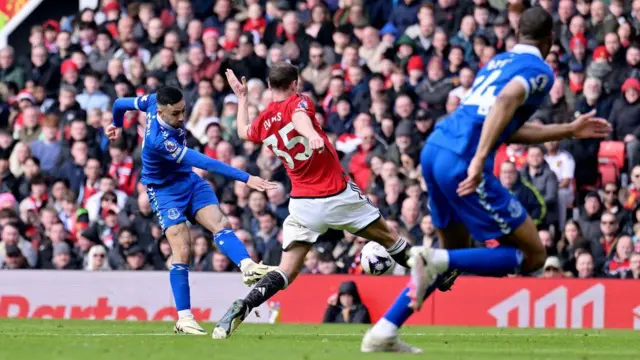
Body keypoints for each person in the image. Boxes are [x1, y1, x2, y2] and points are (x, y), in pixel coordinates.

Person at [366, 8, 612, 354]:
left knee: (451, 258)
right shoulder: (539, 70)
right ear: (551, 40)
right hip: (464, 159)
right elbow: (505, 101)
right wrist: (480, 159)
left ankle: (384, 330)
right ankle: (428, 265)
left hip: (436, 149)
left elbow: (506, 126)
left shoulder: (498, 61)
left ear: (517, 32)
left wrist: (569, 129)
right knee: (533, 256)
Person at [212, 63, 424, 342]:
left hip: (302, 203)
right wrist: (312, 134)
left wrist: (242, 99)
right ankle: (437, 275)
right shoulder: (298, 102)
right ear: (295, 83)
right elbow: (300, 118)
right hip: (336, 195)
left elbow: (242, 132)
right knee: (390, 238)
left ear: (269, 84)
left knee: (287, 270)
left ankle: (244, 305)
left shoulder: (264, 120)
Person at [105, 86, 277, 335]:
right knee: (182, 248)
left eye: (184, 110)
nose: (182, 117)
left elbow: (120, 103)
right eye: (176, 114)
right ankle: (184, 318)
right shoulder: (157, 140)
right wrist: (245, 177)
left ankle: (248, 267)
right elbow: (203, 161)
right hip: (164, 192)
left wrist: (116, 124)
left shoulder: (152, 101)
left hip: (189, 181)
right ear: (162, 112)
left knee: (221, 223)